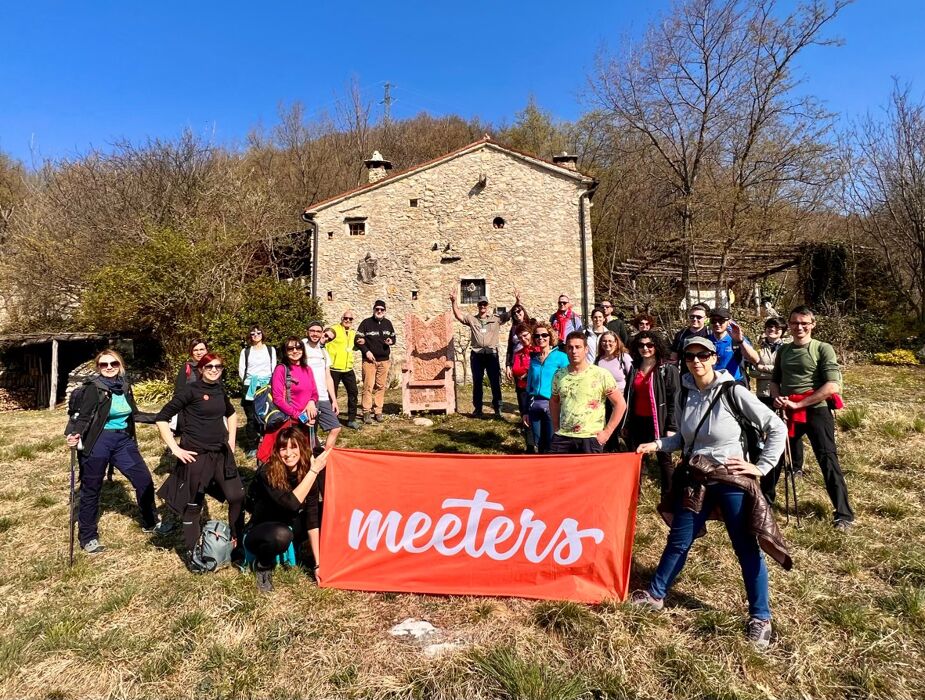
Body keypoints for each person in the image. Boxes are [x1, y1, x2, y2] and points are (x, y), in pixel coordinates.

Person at [632, 336, 788, 651]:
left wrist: (761, 466)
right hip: (695, 477)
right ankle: (656, 595)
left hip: (731, 481)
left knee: (745, 548)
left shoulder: (733, 391)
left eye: (703, 355)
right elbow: (685, 440)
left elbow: (776, 427)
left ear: (714, 357)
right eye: (690, 356)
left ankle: (760, 617)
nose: (697, 361)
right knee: (679, 539)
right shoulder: (686, 393)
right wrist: (657, 444)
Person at [65, 350, 167, 554]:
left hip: (123, 441)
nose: (109, 367)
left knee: (143, 480)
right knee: (91, 488)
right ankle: (87, 536)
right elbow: (84, 417)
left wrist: (161, 417)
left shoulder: (125, 386)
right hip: (98, 442)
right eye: (104, 365)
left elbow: (134, 414)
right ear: (98, 368)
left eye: (113, 363)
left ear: (120, 365)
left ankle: (150, 521)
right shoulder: (94, 389)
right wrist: (74, 434)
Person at [155, 353, 246, 572]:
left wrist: (231, 440)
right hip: (197, 455)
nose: (214, 370)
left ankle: (236, 543)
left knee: (237, 496)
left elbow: (231, 414)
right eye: (209, 367)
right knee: (193, 505)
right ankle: (193, 552)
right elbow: (161, 417)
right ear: (201, 369)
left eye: (218, 367)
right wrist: (176, 449)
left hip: (221, 454)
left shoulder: (220, 390)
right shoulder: (190, 391)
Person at [771, 306, 854, 530]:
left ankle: (844, 514)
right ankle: (764, 504)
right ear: (788, 325)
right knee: (775, 457)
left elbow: (832, 385)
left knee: (827, 459)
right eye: (795, 323)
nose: (799, 327)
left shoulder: (822, 349)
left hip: (816, 411)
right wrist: (777, 398)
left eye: (804, 323)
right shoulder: (784, 351)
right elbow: (774, 381)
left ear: (813, 324)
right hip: (787, 410)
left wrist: (799, 403)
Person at [244, 426, 329, 592]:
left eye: (293, 447)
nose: (288, 453)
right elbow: (291, 503)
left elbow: (312, 517)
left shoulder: (305, 472)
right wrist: (313, 471)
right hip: (262, 531)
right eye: (283, 448)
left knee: (324, 512)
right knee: (281, 534)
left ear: (301, 448)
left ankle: (312, 555)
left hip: (290, 524)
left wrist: (318, 564)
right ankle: (263, 566)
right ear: (277, 450)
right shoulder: (267, 472)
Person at [549, 331, 626, 454]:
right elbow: (554, 401)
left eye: (578, 347)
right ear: (566, 350)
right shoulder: (559, 375)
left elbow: (620, 404)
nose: (574, 351)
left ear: (586, 349)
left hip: (590, 438)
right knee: (557, 473)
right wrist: (556, 426)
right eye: (570, 347)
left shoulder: (601, 374)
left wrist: (607, 432)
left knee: (590, 474)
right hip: (563, 436)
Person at [621, 331, 680, 492]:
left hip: (659, 421)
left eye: (649, 345)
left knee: (664, 460)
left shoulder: (667, 369)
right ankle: (634, 494)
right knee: (636, 457)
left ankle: (669, 496)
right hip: (638, 420)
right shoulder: (634, 368)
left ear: (657, 346)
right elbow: (629, 397)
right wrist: (626, 423)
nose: (645, 348)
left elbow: (674, 400)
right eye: (641, 345)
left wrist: (671, 426)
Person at [450, 290, 519, 418]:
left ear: (488, 306)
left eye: (484, 304)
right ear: (478, 306)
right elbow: (459, 316)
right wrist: (454, 302)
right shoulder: (472, 319)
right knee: (477, 382)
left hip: (491, 355)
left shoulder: (496, 319)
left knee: (495, 382)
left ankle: (498, 409)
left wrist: (517, 301)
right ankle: (478, 409)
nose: (483, 306)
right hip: (477, 355)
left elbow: (510, 313)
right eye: (480, 304)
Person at [255, 336, 319, 463]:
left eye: (298, 347)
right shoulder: (281, 369)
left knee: (306, 456)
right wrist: (299, 416)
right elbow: (278, 399)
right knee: (286, 458)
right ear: (285, 351)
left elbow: (314, 393)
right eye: (290, 348)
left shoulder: (307, 369)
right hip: (290, 422)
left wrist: (312, 402)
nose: (295, 351)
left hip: (306, 421)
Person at [525, 320, 569, 453]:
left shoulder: (561, 357)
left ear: (550, 336)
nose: (541, 338)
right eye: (537, 336)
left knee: (552, 441)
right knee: (538, 442)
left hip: (552, 404)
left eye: (544, 335)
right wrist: (526, 411)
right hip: (535, 406)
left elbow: (568, 381)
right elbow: (529, 386)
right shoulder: (534, 359)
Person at [302, 321, 343, 450]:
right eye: (312, 331)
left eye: (318, 332)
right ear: (307, 331)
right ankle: (307, 459)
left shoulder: (323, 352)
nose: (315, 334)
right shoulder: (300, 347)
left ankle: (325, 458)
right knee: (306, 430)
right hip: (306, 398)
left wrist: (334, 400)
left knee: (335, 427)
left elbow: (328, 377)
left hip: (323, 397)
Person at [238, 325, 277, 459]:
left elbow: (273, 368)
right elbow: (242, 370)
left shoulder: (271, 350)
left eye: (258, 332)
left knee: (267, 414)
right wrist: (251, 382)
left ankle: (267, 442)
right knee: (251, 417)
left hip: (266, 386)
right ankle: (252, 446)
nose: (255, 335)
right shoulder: (246, 351)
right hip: (250, 386)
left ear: (262, 334)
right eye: (253, 333)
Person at [356, 300, 396, 423]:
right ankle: (366, 411)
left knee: (381, 386)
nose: (379, 311)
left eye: (382, 310)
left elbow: (394, 337)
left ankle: (378, 411)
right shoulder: (366, 323)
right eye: (377, 309)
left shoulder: (388, 323)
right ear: (373, 310)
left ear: (385, 311)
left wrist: (391, 341)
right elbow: (357, 339)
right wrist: (366, 351)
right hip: (369, 361)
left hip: (384, 361)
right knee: (368, 386)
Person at [326, 310, 362, 430]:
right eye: (345, 318)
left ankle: (351, 419)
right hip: (334, 368)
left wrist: (361, 343)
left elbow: (354, 346)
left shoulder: (352, 332)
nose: (347, 320)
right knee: (332, 394)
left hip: (348, 368)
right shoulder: (334, 329)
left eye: (350, 319)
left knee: (353, 392)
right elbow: (325, 340)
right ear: (341, 318)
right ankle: (332, 419)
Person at [706, 308, 759, 384]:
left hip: (733, 383)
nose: (717, 324)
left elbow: (755, 360)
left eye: (721, 320)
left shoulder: (737, 339)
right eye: (713, 321)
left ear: (729, 322)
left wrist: (740, 341)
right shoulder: (706, 341)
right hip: (712, 384)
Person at [509, 323, 536, 452]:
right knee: (525, 416)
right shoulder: (518, 353)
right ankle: (530, 445)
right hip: (523, 389)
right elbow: (516, 370)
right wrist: (527, 372)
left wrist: (527, 373)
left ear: (530, 333)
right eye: (520, 338)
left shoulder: (537, 350)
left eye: (525, 335)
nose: (523, 339)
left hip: (536, 389)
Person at [504, 302, 532, 377]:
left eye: (518, 311)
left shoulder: (531, 324)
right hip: (517, 360)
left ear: (523, 311)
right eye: (514, 313)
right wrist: (508, 365)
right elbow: (510, 347)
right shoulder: (513, 328)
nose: (516, 314)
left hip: (530, 358)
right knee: (519, 385)